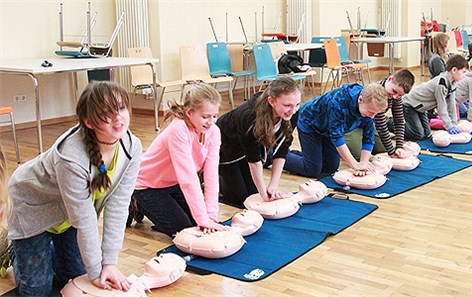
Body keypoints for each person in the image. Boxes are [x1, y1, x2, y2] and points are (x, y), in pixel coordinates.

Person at [7, 81, 141, 296]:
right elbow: (85, 220)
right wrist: (97, 273)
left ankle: (44, 250)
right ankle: (17, 248)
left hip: (68, 216)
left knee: (75, 275)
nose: (118, 118)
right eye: (106, 112)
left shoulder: (132, 147)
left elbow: (118, 206)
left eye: (121, 108)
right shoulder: (71, 157)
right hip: (32, 208)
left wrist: (109, 264)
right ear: (88, 121)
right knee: (36, 290)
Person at [132, 83, 227, 237]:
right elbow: (188, 178)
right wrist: (202, 218)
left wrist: (211, 217)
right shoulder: (178, 129)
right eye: (205, 117)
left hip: (172, 183)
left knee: (201, 226)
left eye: (215, 116)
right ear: (189, 112)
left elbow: (211, 176)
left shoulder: (214, 132)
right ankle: (136, 202)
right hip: (147, 186)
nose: (211, 122)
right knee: (186, 230)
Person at [217, 77, 302, 208]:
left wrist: (273, 186)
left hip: (245, 147)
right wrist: (264, 195)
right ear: (271, 101)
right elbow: (254, 160)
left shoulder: (293, 113)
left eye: (297, 104)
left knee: (251, 193)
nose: (293, 110)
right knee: (239, 197)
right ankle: (210, 177)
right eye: (287, 105)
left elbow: (282, 150)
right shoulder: (250, 116)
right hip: (225, 145)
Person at [284, 83, 388, 178]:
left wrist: (363, 163)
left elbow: (369, 137)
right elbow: (336, 137)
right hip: (310, 124)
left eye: (375, 114)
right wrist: (355, 165)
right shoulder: (339, 100)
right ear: (360, 100)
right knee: (312, 170)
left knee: (331, 168)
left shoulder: (369, 109)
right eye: (370, 112)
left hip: (328, 131)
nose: (372, 117)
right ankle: (275, 156)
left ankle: (305, 156)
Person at [344, 69, 415, 159]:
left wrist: (399, 147)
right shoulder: (376, 92)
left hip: (368, 123)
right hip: (352, 123)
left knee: (383, 149)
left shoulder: (396, 97)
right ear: (390, 79)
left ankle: (361, 139)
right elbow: (380, 124)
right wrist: (391, 152)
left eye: (399, 95)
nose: (395, 96)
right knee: (358, 155)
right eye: (394, 91)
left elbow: (399, 121)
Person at [402, 55, 469, 141]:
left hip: (420, 108)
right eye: (463, 72)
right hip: (409, 105)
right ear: (454, 70)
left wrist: (454, 123)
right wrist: (449, 126)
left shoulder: (452, 83)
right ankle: (390, 124)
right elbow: (441, 108)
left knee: (426, 133)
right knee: (418, 134)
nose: (464, 76)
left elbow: (451, 104)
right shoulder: (441, 84)